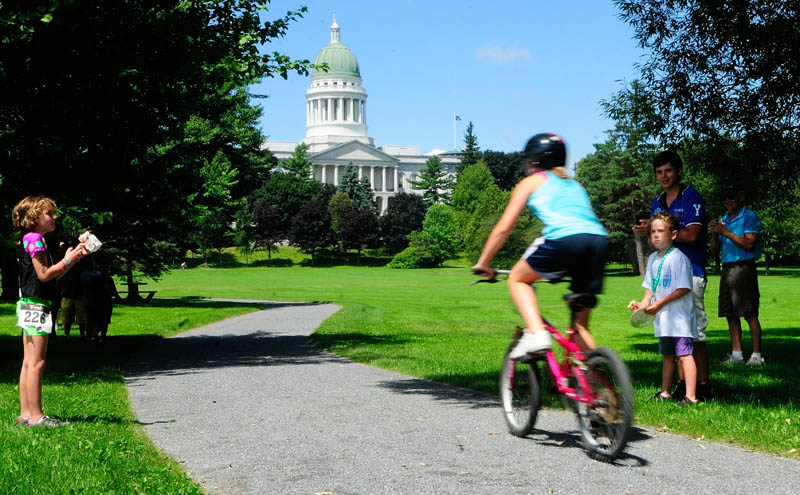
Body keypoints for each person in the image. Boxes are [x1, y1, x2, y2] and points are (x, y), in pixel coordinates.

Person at [473, 133, 608, 357]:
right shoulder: (577, 186)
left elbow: (504, 228)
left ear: (534, 161)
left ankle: (536, 333)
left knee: (517, 278)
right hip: (598, 241)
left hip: (565, 239)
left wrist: (484, 262)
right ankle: (595, 388)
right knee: (580, 327)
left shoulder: (531, 182)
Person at [632, 150, 712, 401]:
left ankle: (702, 385)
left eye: (668, 170)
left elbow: (693, 234)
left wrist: (668, 233)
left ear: (678, 171)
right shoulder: (658, 201)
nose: (663, 176)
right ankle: (680, 385)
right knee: (673, 333)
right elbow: (661, 234)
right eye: (659, 172)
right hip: (665, 275)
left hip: (691, 271)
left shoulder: (691, 197)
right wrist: (648, 231)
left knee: (694, 333)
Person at [12, 196, 89, 427]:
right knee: (37, 362)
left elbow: (50, 275)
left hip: (29, 301)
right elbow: (45, 274)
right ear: (34, 217)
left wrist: (72, 260)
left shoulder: (32, 239)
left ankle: (26, 414)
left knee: (28, 361)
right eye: (49, 213)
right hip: (38, 304)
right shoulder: (36, 239)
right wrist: (67, 259)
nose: (55, 217)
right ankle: (37, 417)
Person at [629, 212, 699, 406]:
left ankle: (691, 396)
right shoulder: (652, 258)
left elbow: (684, 287)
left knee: (684, 354)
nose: (656, 235)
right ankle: (665, 392)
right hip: (663, 321)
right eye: (653, 232)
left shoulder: (678, 258)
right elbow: (650, 289)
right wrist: (642, 305)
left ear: (674, 234)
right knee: (667, 356)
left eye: (661, 231)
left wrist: (660, 303)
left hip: (678, 318)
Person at [710, 186, 764, 365]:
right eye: (724, 197)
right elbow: (714, 250)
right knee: (730, 313)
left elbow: (749, 243)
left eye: (731, 197)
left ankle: (756, 355)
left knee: (749, 313)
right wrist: (714, 233)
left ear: (740, 197)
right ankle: (737, 354)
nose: (728, 201)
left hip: (743, 267)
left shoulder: (749, 216)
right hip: (727, 268)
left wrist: (725, 232)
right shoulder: (723, 219)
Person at [81, 259, 115, 343]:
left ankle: (97, 337)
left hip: (102, 302)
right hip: (95, 302)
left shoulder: (107, 279)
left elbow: (113, 290)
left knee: (102, 321)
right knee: (94, 321)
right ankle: (93, 337)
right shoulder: (94, 278)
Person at [59, 254, 88, 340]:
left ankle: (82, 334)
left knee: (81, 317)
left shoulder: (83, 265)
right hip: (68, 293)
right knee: (67, 316)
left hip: (80, 294)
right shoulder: (67, 264)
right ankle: (66, 334)